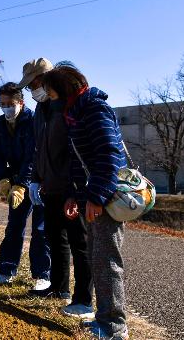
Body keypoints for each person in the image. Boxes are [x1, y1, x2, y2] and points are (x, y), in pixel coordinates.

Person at [42, 67, 129, 340]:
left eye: (52, 93)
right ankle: (103, 319)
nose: (50, 99)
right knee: (97, 257)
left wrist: (96, 197)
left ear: (65, 90)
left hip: (107, 199)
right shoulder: (76, 113)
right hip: (92, 197)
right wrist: (74, 195)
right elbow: (80, 163)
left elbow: (109, 156)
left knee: (107, 261)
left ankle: (115, 327)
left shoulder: (95, 109)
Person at [20, 58, 93, 318]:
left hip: (71, 186)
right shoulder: (41, 110)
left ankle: (84, 297)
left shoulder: (69, 106)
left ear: (48, 78)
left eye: (35, 84)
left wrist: (75, 189)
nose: (32, 91)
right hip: (49, 185)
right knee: (54, 237)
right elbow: (40, 148)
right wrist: (36, 178)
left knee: (79, 241)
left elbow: (77, 151)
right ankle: (59, 287)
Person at [0, 82, 51, 291]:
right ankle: (7, 269)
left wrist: (23, 184)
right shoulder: (0, 124)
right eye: (2, 104)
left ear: (20, 102)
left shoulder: (32, 121)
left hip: (40, 180)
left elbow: (33, 155)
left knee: (41, 228)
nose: (6, 107)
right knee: (14, 225)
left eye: (10, 103)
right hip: (16, 178)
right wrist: (2, 178)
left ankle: (43, 274)